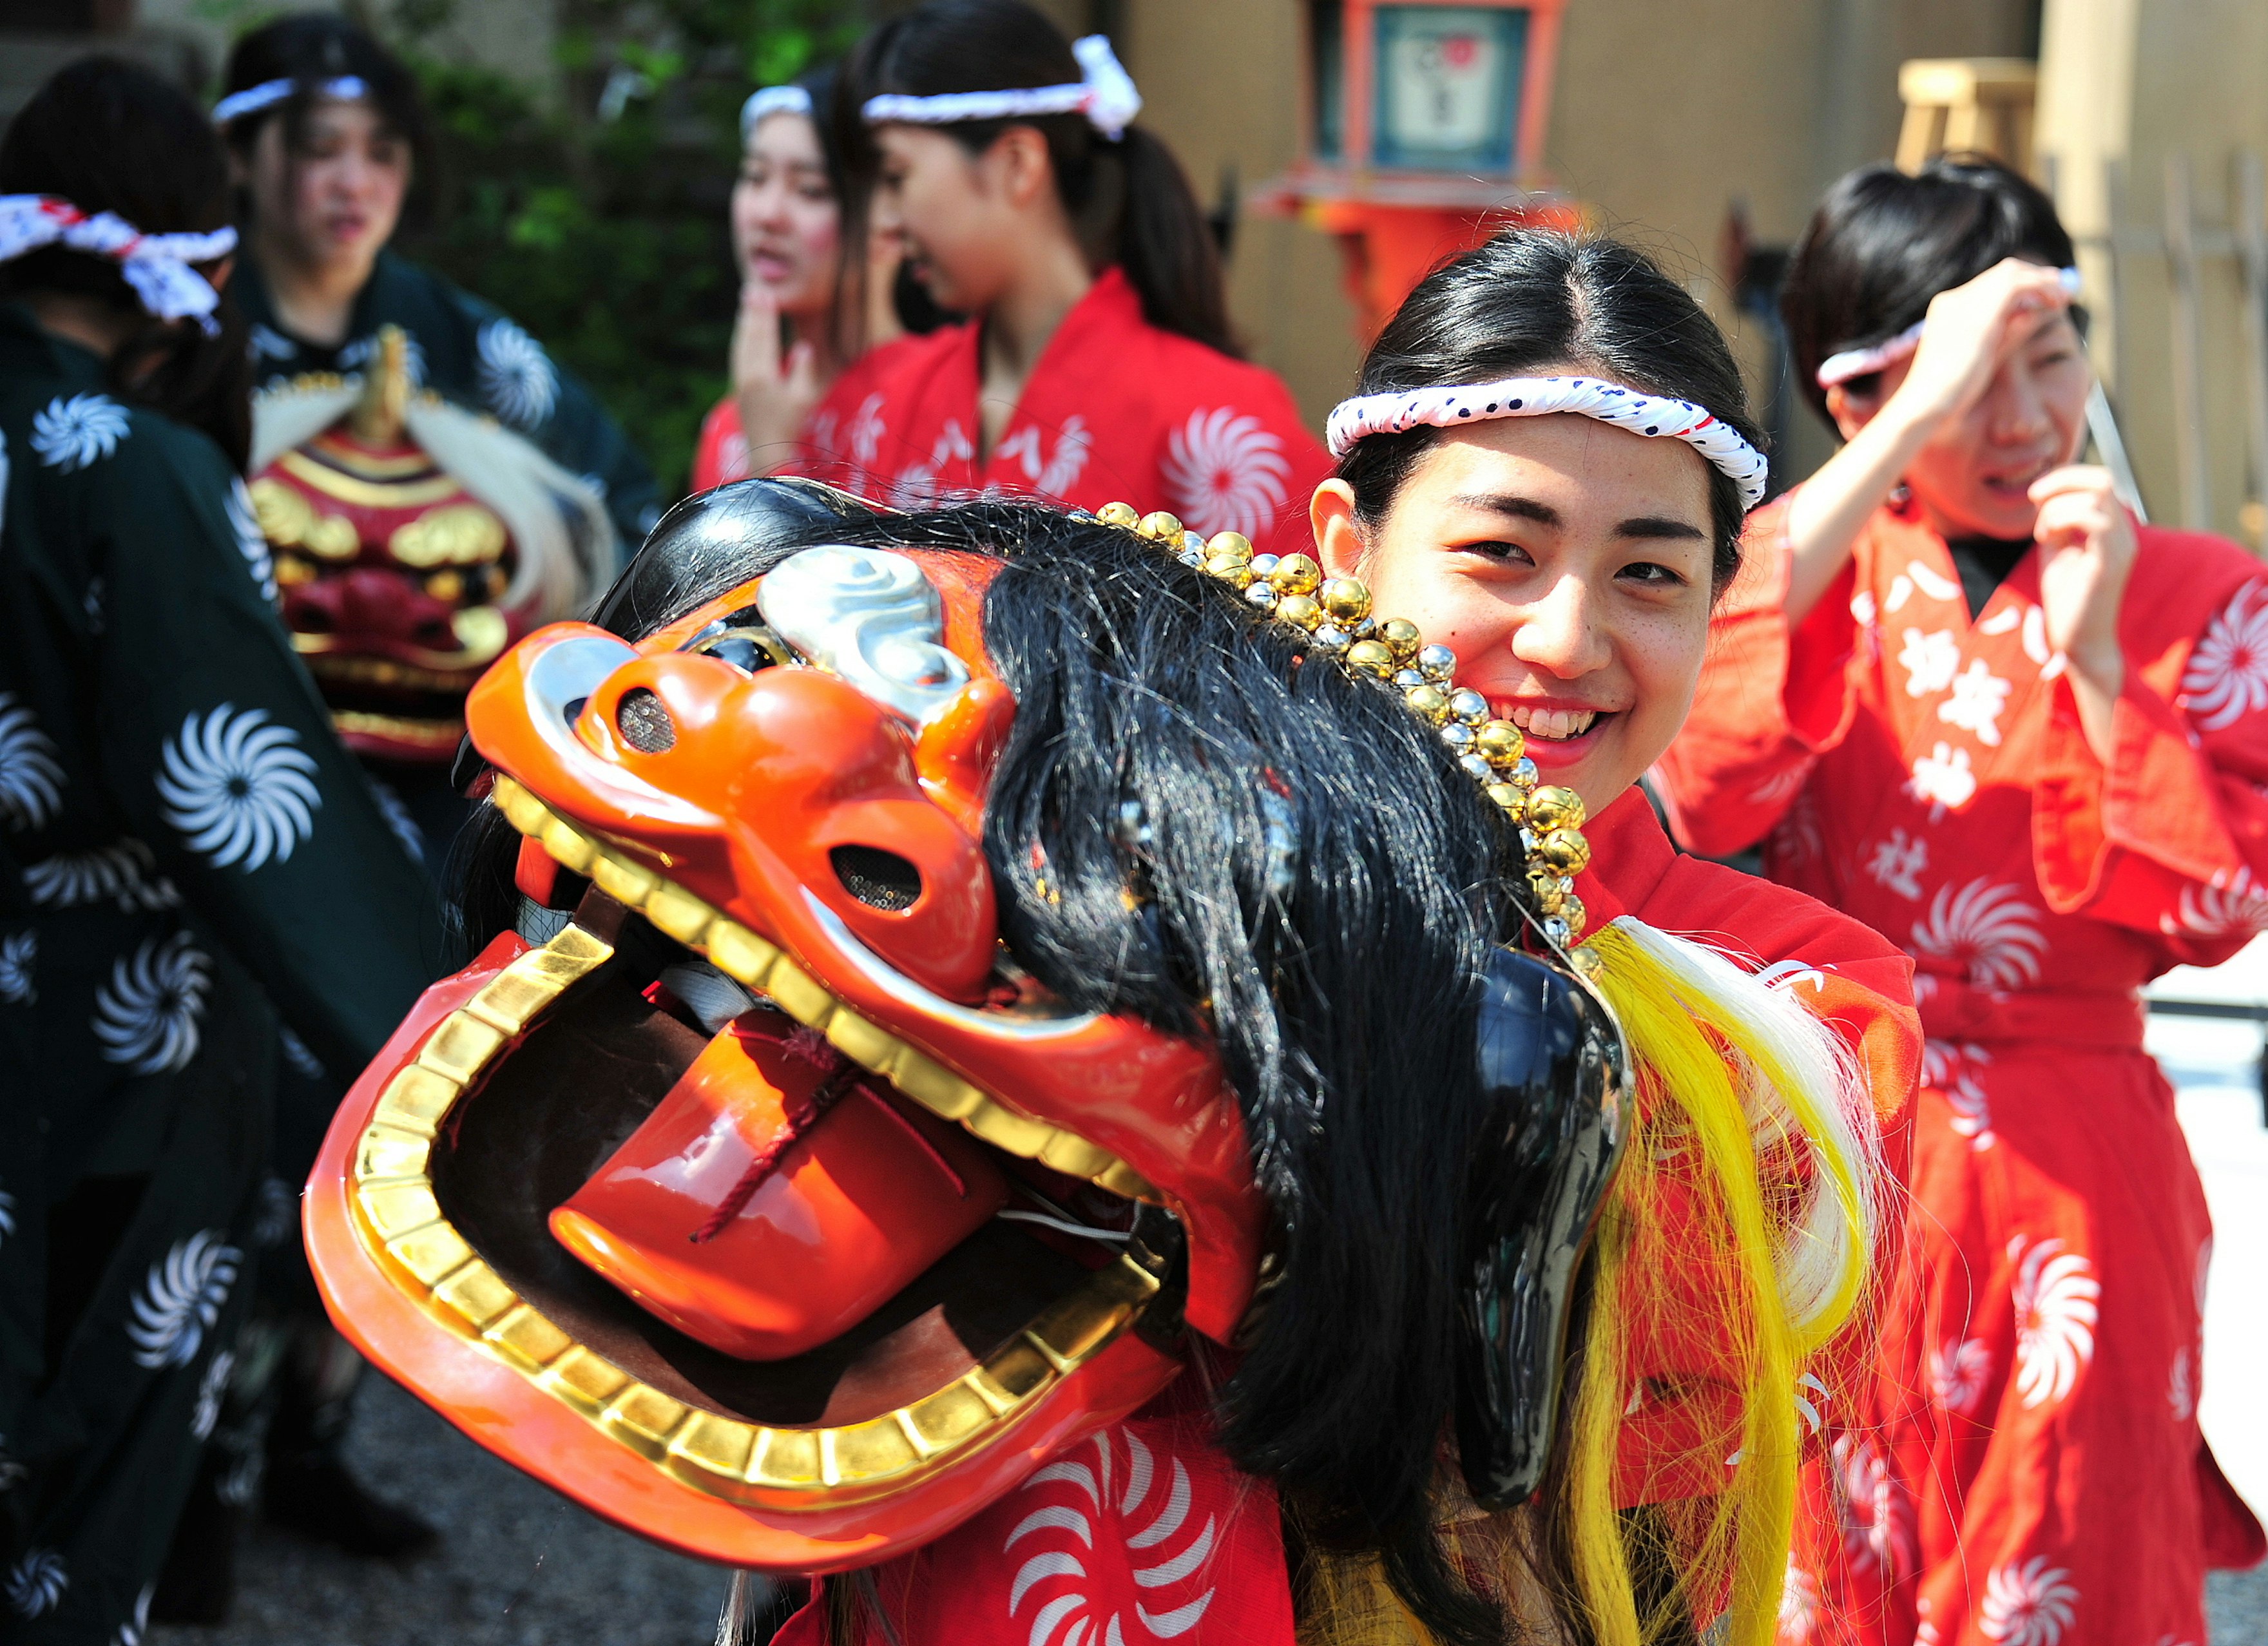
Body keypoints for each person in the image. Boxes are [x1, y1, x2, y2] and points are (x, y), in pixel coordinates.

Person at [295, 224, 1917, 1646]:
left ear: (1717, 609)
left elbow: (1617, 1419)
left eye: (1650, 573)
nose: (1566, 638)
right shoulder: (1086, 847)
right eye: (1499, 550)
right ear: (1345, 553)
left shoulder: (1801, 997)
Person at [1652, 157, 2268, 1644]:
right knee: (1805, 1571)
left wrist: (2100, 664)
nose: (2032, 417)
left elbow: (2263, 877)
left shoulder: (2199, 589)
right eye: (1975, 382)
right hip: (1828, 1135)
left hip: (2072, 1167)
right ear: (1858, 407)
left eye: (2052, 358)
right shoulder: (1804, 571)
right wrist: (1911, 419)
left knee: (2060, 1552)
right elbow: (1691, 785)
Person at [0, 58, 435, 1641]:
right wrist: (459, 1020)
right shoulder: (126, 464)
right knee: (68, 1499)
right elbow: (244, 797)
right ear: (182, 243)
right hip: (114, 1032)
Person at [785, 0, 1325, 552]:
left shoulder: (1218, 426)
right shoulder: (879, 405)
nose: (885, 222)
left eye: (897, 177)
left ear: (1018, 163)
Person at [215, 12, 664, 553]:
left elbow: (626, 504)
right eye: (320, 149)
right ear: (236, 154)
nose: (355, 184)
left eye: (382, 153)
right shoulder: (190, 334)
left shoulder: (457, 337)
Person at [689, 71, 912, 493]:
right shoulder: (730, 423)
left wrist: (771, 458)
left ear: (890, 218)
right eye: (755, 177)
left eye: (811, 190)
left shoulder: (949, 393)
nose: (767, 214)